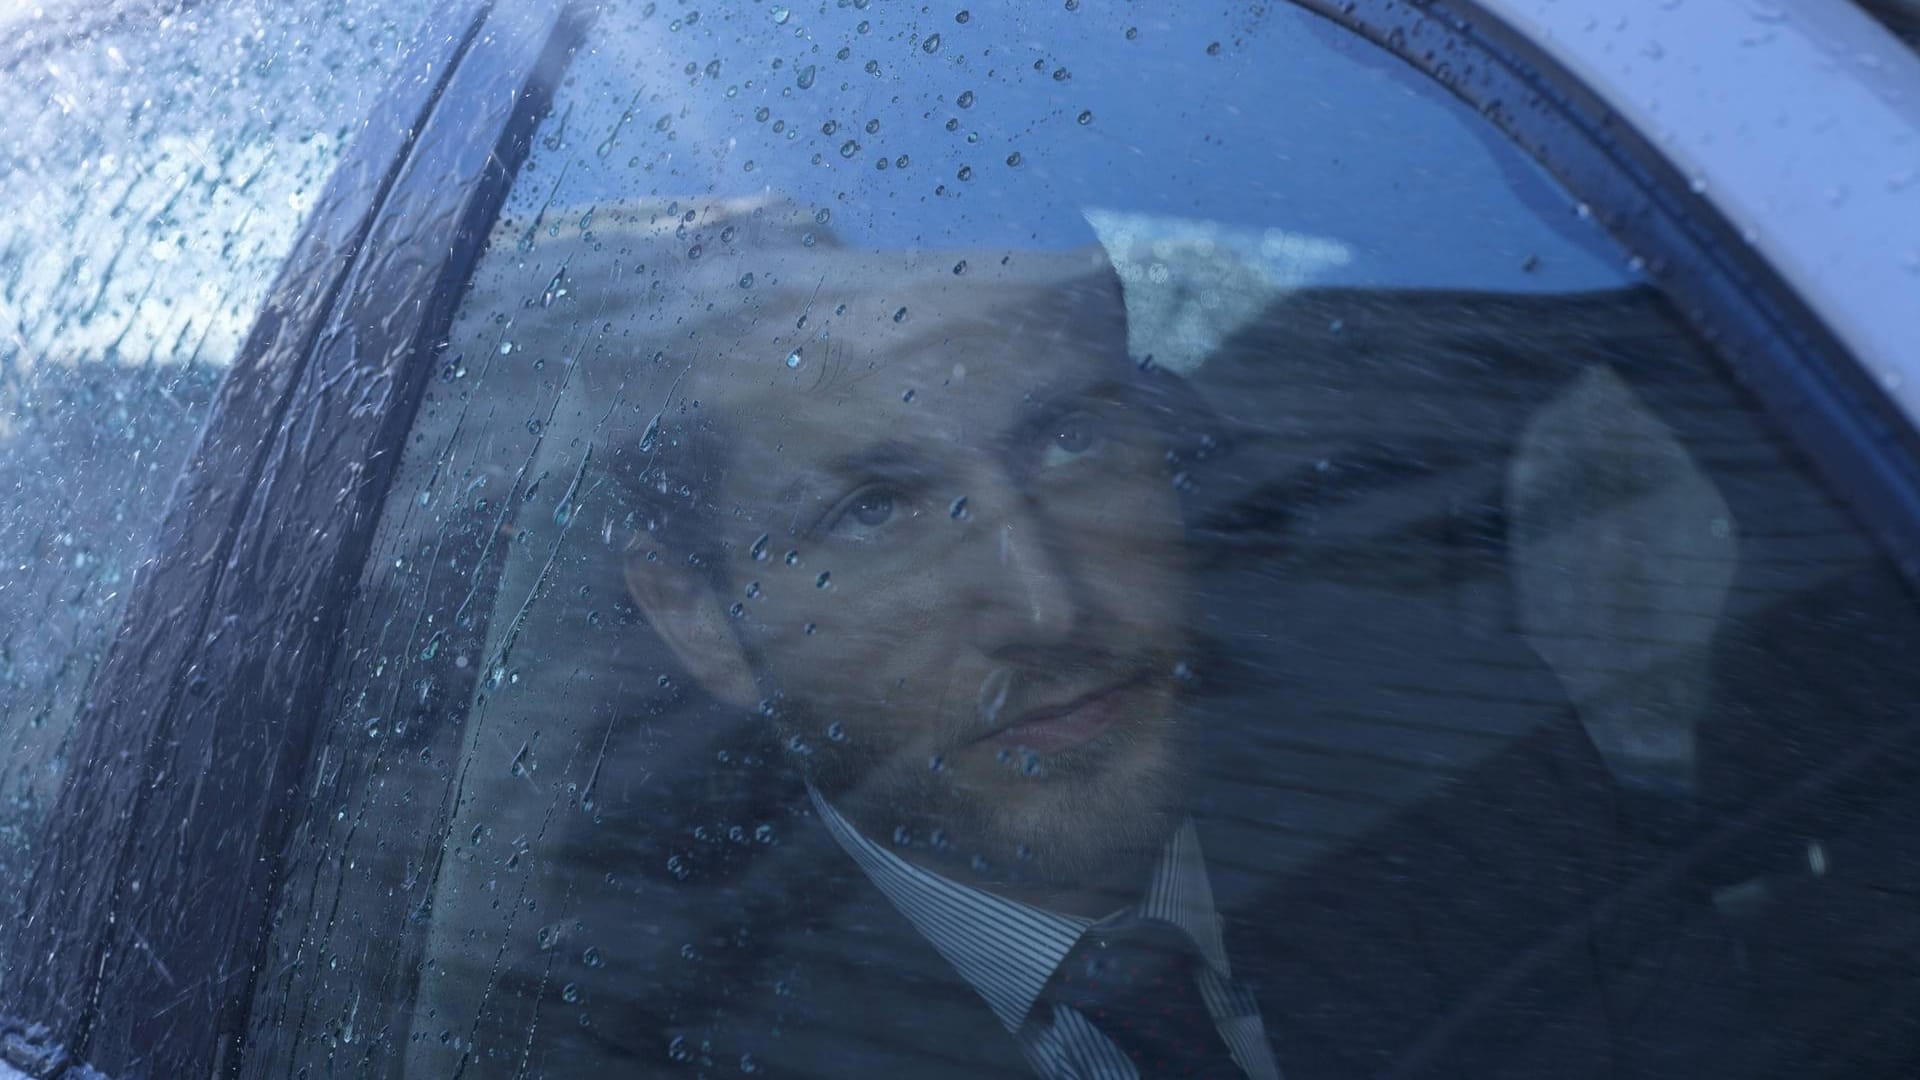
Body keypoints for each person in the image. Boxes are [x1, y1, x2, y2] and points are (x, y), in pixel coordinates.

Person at [406, 200, 1730, 1079]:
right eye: (875, 511)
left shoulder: (1478, 780)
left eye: (1075, 440)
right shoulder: (633, 1031)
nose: (1046, 606)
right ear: (701, 620)